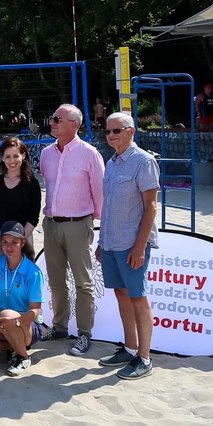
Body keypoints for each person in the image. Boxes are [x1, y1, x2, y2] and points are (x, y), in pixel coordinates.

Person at [96, 112, 159, 380]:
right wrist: (101, 242)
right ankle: (129, 347)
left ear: (131, 131)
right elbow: (108, 207)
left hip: (131, 244)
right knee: (121, 294)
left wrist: (139, 247)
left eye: (116, 131)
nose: (111, 135)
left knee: (138, 297)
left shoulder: (143, 161)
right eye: (107, 131)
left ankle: (144, 357)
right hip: (111, 242)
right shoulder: (111, 163)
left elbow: (151, 207)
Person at [39, 104, 104, 356]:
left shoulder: (90, 154)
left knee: (83, 282)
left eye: (57, 119)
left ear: (73, 125)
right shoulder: (46, 154)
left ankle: (85, 334)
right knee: (56, 281)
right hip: (51, 224)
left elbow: (101, 195)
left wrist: (100, 229)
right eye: (53, 118)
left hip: (79, 224)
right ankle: (59, 327)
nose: (52, 122)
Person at [0, 221, 45, 376]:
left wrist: (16, 322)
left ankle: (23, 357)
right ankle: (12, 346)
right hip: (3, 321)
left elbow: (35, 310)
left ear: (22, 243)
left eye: (14, 242)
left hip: (27, 325)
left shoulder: (33, 271)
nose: (9, 247)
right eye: (5, 242)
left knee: (7, 315)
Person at [0, 137, 41, 260]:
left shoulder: (32, 183)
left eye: (16, 156)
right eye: (7, 156)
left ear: (23, 156)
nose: (12, 161)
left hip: (23, 237)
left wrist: (19, 240)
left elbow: (33, 217)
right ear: (2, 158)